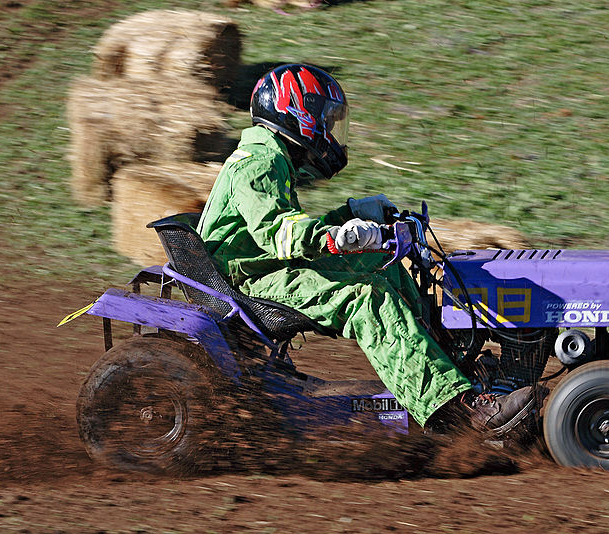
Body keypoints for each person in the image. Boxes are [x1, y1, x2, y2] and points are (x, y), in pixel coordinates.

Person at [198, 64, 538, 434]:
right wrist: (338, 236)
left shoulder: (271, 159)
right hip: (249, 283)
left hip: (263, 269)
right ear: (296, 113)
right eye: (325, 120)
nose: (330, 131)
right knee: (367, 298)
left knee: (382, 263)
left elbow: (276, 227)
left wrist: (352, 215)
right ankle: (458, 408)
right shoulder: (259, 162)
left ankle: (451, 363)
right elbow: (276, 232)